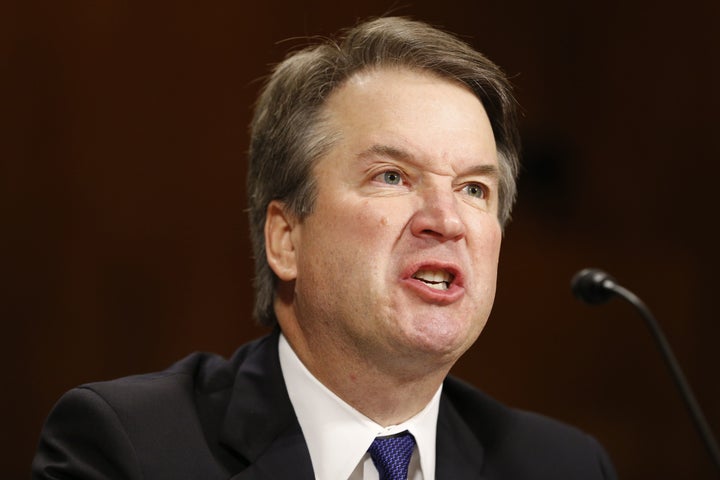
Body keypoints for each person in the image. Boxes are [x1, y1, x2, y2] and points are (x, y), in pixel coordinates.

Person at [33, 17, 617, 479]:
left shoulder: (562, 465)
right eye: (392, 176)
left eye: (473, 188)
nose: (446, 221)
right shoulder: (131, 449)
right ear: (286, 239)